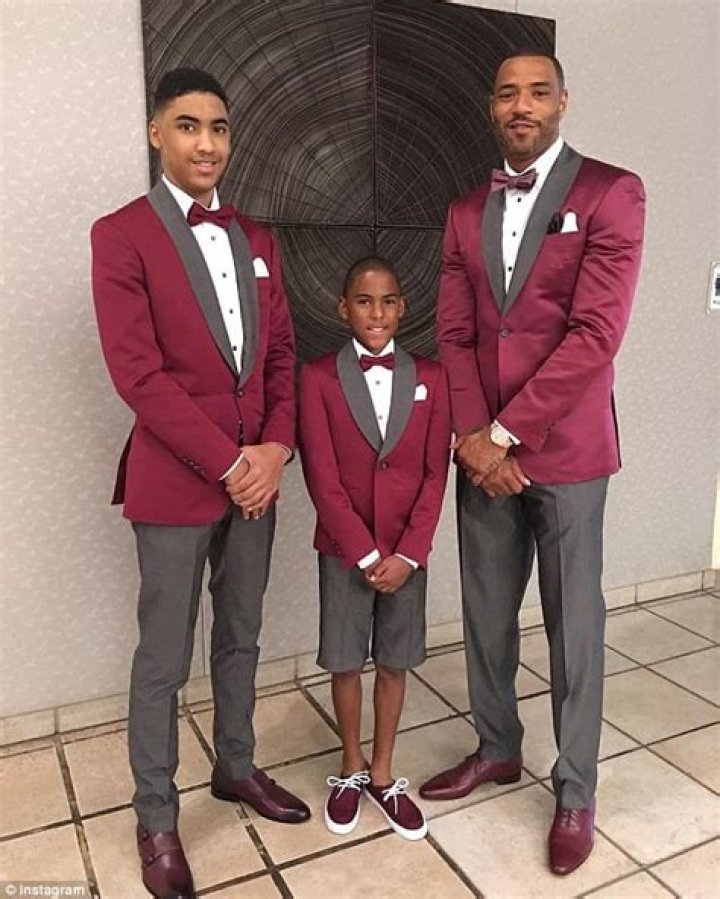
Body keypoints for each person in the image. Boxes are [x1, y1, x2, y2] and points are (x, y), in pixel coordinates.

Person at [420, 52, 645, 876]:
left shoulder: (612, 193)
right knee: (485, 610)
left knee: (573, 624)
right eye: (508, 92)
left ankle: (576, 787)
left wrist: (506, 433)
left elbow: (595, 335)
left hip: (567, 450)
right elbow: (454, 334)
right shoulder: (462, 212)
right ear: (492, 106)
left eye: (538, 92)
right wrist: (473, 434)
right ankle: (497, 746)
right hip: (483, 450)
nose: (522, 105)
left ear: (562, 102)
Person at [91, 68, 310, 899]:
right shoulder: (121, 235)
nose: (207, 143)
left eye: (219, 127)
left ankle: (237, 765)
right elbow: (139, 377)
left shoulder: (257, 238)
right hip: (180, 481)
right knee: (164, 656)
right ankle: (156, 817)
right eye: (188, 126)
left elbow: (283, 352)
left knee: (242, 634)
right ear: (157, 133)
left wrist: (276, 448)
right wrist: (231, 462)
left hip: (259, 478)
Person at [298, 257, 451, 841]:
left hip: (407, 553)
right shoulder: (318, 378)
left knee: (394, 660)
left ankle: (384, 772)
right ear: (344, 308)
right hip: (346, 550)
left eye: (388, 300)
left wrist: (409, 553)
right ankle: (351, 766)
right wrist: (363, 553)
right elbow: (322, 476)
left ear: (403, 307)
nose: (377, 312)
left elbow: (435, 474)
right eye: (364, 301)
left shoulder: (431, 378)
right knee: (345, 661)